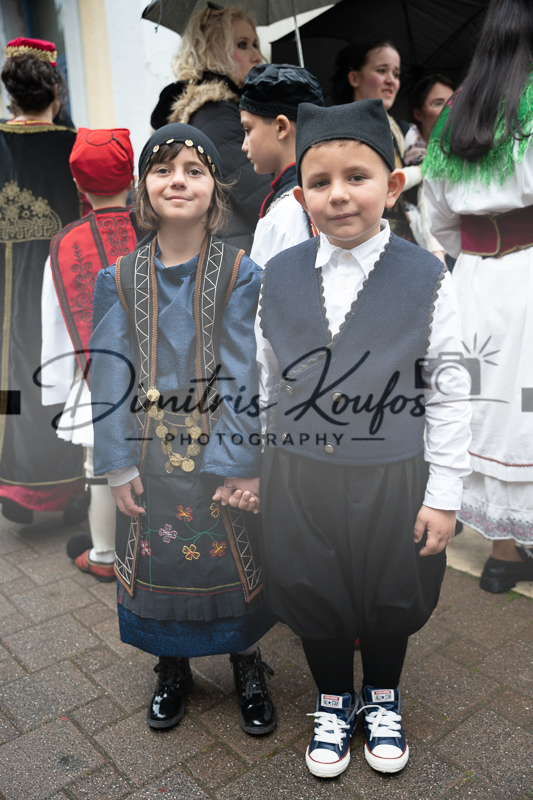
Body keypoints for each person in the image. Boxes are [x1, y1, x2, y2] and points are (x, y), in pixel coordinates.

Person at [237, 99, 471, 778]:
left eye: (356, 177)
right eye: (320, 181)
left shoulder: (427, 276)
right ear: (300, 194)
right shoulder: (277, 276)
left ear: (392, 185)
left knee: (390, 593)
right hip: (298, 474)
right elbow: (260, 378)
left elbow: (449, 390)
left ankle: (383, 696)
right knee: (313, 591)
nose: (338, 194)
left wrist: (443, 495)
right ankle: (334, 699)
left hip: (392, 473)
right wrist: (250, 466)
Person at [89, 123, 277, 734]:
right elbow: (109, 378)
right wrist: (117, 463)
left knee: (234, 562)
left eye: (194, 171)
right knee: (159, 563)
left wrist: (240, 463)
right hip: (149, 461)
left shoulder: (240, 273)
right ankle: (171, 668)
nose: (178, 181)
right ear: (143, 186)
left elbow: (245, 373)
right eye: (163, 169)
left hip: (220, 457)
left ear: (215, 188)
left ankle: (247, 663)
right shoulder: (118, 279)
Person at [423, 0, 533, 593]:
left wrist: (474, 256)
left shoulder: (457, 108)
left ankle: (503, 555)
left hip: (471, 279)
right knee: (525, 411)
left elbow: (438, 218)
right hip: (529, 276)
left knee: (488, 408)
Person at [41, 128, 137, 580]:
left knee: (100, 464)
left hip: (96, 376)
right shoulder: (156, 227)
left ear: (78, 183)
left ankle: (104, 555)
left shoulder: (64, 244)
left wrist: (60, 388)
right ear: (132, 176)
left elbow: (56, 323)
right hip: (164, 373)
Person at [0, 38, 83, 524]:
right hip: (61, 285)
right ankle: (68, 484)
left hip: (6, 289)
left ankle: (13, 480)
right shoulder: (74, 147)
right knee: (59, 375)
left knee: (7, 381)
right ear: (56, 91)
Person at [150, 5, 271, 252]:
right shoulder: (214, 113)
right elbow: (259, 196)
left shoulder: (226, 109)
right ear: (214, 52)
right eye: (243, 45)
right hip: (236, 252)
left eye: (255, 44)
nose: (257, 56)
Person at [331, 40, 419, 244]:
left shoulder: (402, 130)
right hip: (359, 239)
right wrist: (420, 172)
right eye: (382, 70)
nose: (391, 81)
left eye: (396, 74)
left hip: (403, 238)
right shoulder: (337, 130)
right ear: (354, 78)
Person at [238, 63, 324, 267]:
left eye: (248, 130)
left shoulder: (287, 213)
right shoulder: (322, 194)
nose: (244, 145)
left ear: (281, 127)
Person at [404, 74, 456, 264]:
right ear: (418, 113)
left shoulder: (469, 150)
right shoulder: (406, 147)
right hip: (420, 249)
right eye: (438, 103)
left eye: (453, 102)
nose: (448, 109)